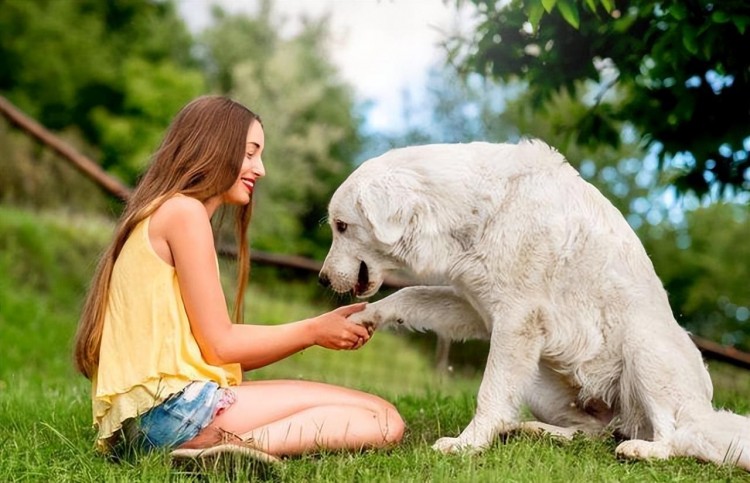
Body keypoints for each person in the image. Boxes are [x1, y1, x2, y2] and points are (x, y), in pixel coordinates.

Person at [73, 95, 405, 462]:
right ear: (214, 148)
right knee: (384, 419)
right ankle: (232, 452)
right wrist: (314, 331)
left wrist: (317, 329)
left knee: (379, 413)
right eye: (250, 153)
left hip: (146, 424)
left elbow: (211, 348)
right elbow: (221, 346)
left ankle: (221, 451)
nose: (259, 169)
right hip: (173, 414)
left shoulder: (160, 214)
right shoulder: (183, 213)